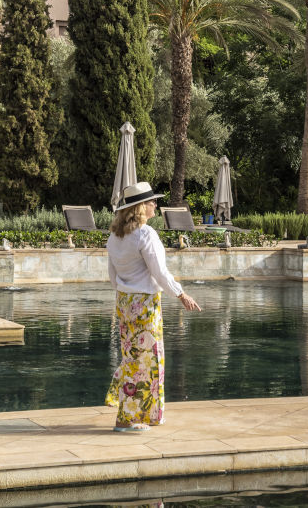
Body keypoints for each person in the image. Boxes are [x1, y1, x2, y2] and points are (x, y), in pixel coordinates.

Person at [105, 181, 201, 432]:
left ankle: (136, 415)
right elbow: (159, 273)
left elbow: (112, 277)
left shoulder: (115, 236)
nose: (155, 205)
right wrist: (181, 294)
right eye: (152, 202)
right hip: (145, 305)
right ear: (139, 208)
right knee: (148, 360)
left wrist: (126, 295)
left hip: (124, 303)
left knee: (131, 359)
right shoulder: (146, 234)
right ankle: (129, 418)